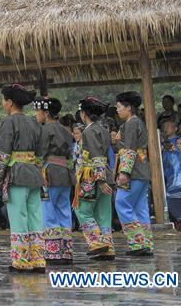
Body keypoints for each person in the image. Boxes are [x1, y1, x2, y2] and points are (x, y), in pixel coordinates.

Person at [0, 84, 46, 273]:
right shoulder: (34, 122)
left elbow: (3, 152)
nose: (2, 103)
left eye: (3, 99)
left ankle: (22, 261)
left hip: (16, 174)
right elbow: (41, 152)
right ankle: (39, 259)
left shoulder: (9, 122)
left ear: (10, 102)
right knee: (35, 216)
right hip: (34, 174)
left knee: (18, 216)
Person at [33, 96, 75, 265]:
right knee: (64, 210)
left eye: (38, 111)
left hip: (49, 173)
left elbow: (40, 153)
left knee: (48, 210)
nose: (36, 114)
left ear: (46, 113)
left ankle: (53, 252)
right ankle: (66, 252)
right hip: (65, 173)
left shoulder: (45, 130)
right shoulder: (66, 130)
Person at [72, 97, 116, 260]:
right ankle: (107, 247)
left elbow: (97, 156)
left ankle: (96, 242)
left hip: (92, 177)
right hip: (106, 175)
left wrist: (100, 179)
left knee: (81, 209)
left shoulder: (89, 131)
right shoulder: (104, 129)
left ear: (84, 114)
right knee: (103, 213)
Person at [113, 91, 154, 255]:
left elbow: (129, 150)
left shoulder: (131, 123)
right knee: (140, 208)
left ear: (128, 108)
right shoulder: (137, 122)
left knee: (122, 203)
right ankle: (146, 243)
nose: (117, 110)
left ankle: (138, 243)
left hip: (133, 170)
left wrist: (124, 172)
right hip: (142, 169)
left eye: (119, 107)